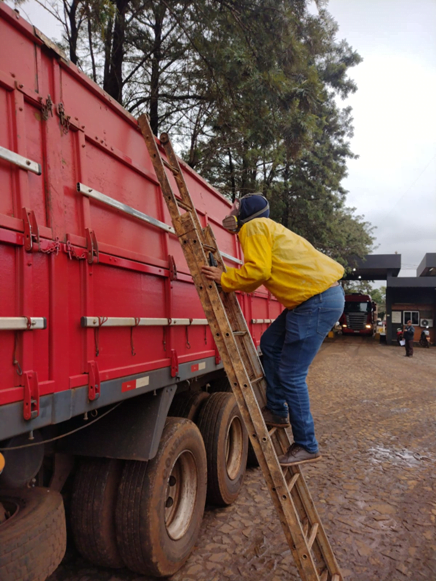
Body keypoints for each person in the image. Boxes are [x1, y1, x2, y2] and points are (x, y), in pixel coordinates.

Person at [201, 193, 345, 467]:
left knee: (292, 374)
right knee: (269, 343)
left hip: (315, 301)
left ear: (245, 213)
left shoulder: (253, 227)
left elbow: (257, 272)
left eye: (235, 206)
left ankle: (306, 444)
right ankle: (277, 410)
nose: (230, 210)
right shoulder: (266, 228)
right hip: (311, 300)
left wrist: (224, 278)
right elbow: (261, 271)